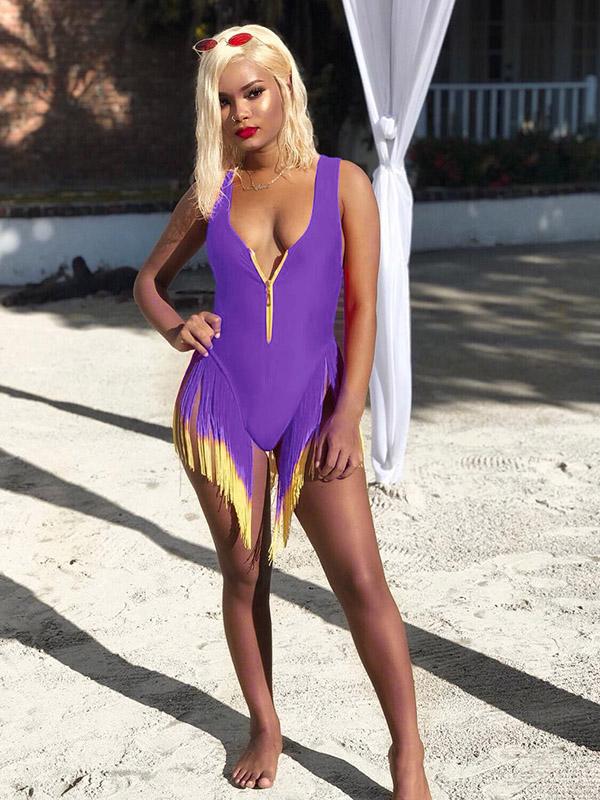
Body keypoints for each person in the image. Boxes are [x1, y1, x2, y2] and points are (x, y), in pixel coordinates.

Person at [133, 22, 432, 800]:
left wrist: (348, 413)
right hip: (220, 403)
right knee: (243, 572)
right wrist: (176, 327)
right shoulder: (213, 192)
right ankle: (265, 726)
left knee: (360, 578)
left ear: (287, 88)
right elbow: (148, 282)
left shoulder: (344, 183)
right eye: (224, 100)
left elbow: (363, 309)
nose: (241, 113)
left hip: (314, 404)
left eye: (254, 93)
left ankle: (407, 756)